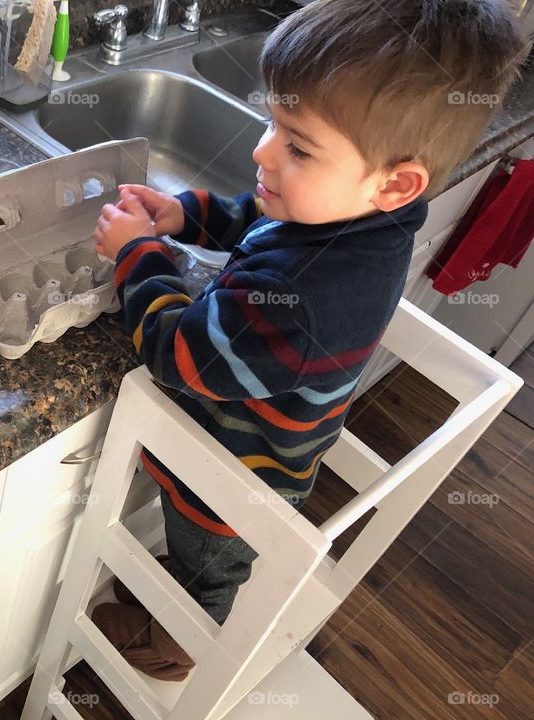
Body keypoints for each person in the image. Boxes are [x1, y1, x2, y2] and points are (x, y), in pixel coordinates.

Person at [90, 0, 530, 681]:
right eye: (273, 121)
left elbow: (177, 355)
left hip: (230, 491)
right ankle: (175, 599)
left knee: (206, 569)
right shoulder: (355, 216)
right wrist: (183, 217)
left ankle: (175, 643)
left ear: (396, 182)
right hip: (268, 450)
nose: (263, 150)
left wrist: (137, 257)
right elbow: (257, 222)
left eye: (297, 145)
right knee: (196, 558)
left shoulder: (303, 300)